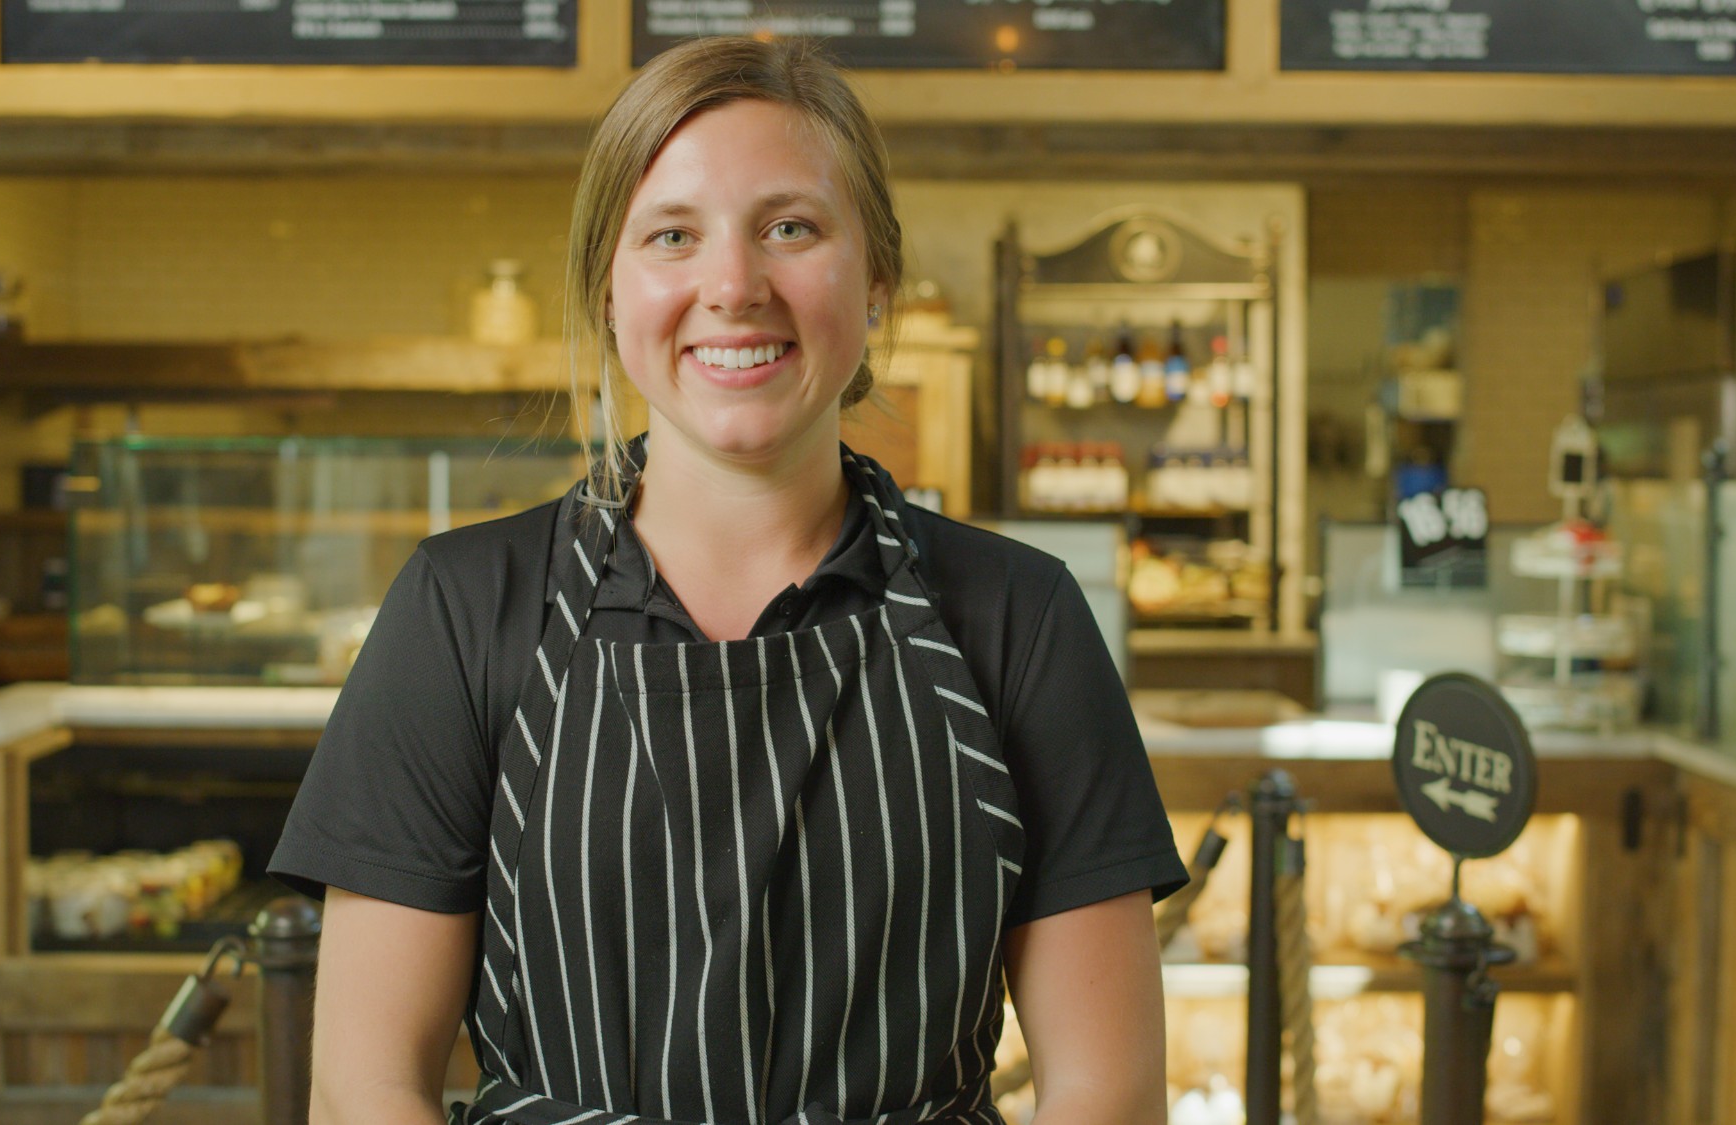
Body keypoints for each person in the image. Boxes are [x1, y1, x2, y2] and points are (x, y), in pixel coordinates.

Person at [270, 35, 1187, 1125]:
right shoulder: (462, 611)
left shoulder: (1018, 618)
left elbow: (1105, 1090)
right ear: (607, 293)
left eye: (790, 228)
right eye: (672, 235)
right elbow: (364, 1087)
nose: (734, 287)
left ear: (877, 282)